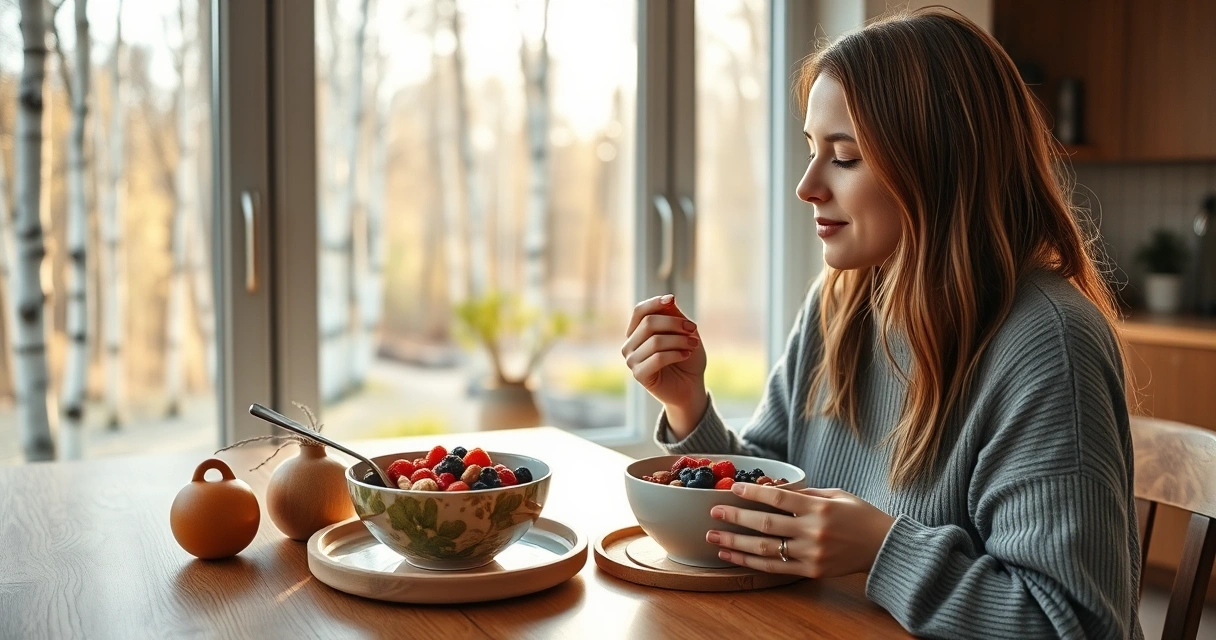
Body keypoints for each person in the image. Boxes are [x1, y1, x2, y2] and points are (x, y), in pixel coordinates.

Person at [621, 8, 1141, 639]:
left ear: (941, 166)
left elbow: (1075, 626)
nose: (807, 186)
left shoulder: (1048, 343)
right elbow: (775, 491)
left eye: (844, 157)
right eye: (812, 150)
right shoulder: (840, 301)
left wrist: (881, 550)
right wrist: (688, 407)